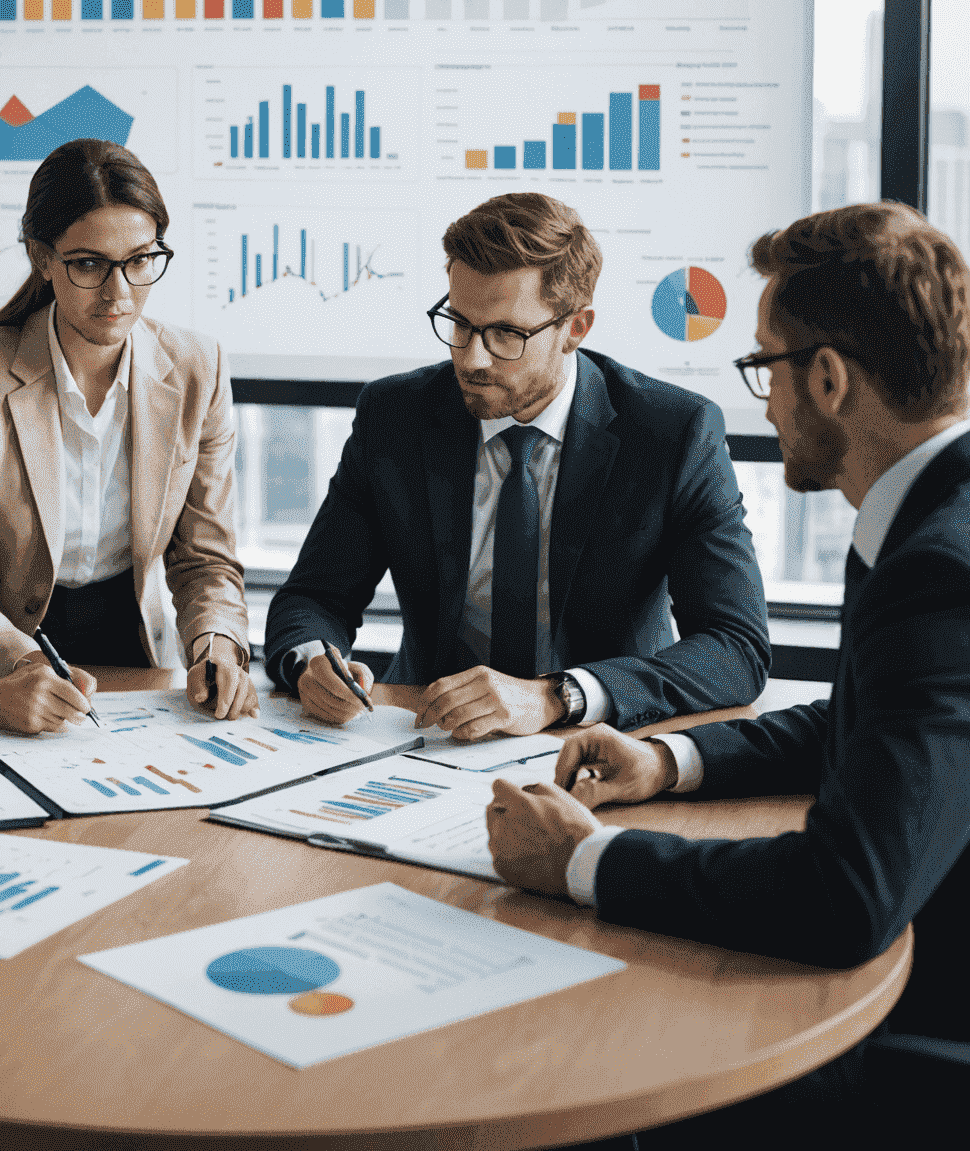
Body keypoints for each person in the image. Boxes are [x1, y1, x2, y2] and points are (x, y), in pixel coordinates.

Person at [486, 202, 970, 1140]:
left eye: (765, 368)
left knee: (604, 1063)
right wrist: (670, 764)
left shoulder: (938, 570)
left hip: (923, 1024)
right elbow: (870, 718)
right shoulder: (933, 519)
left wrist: (582, 860)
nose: (768, 401)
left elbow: (845, 898)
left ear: (826, 378)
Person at [264, 191, 769, 735]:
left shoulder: (672, 433)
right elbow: (314, 597)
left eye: (506, 334)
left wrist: (558, 696)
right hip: (425, 732)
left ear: (575, 328)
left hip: (598, 741)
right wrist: (313, 663)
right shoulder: (397, 416)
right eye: (459, 323)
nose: (471, 357)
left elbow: (734, 647)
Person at [0, 137, 255, 728]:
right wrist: (26, 666)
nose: (120, 294)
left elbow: (205, 561)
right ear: (42, 258)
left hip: (139, 661)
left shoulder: (199, 368)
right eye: (90, 265)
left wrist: (216, 646)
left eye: (141, 261)